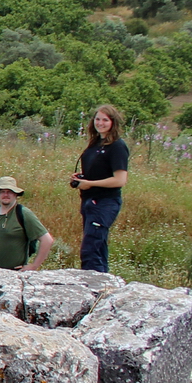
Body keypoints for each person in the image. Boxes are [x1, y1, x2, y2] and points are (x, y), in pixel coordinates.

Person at [70, 104, 130, 272]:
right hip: (89, 201)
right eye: (97, 119)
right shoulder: (96, 143)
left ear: (113, 122)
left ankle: (93, 289)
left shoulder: (117, 146)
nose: (100, 123)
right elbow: (99, 171)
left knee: (90, 249)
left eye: (105, 120)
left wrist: (91, 184)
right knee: (98, 246)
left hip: (104, 202)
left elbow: (120, 180)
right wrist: (82, 177)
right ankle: (103, 285)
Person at [0, 176, 55, 272]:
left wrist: (33, 266)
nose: (6, 194)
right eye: (2, 191)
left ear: (16, 194)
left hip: (14, 275)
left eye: (10, 191)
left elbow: (47, 240)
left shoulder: (23, 213)